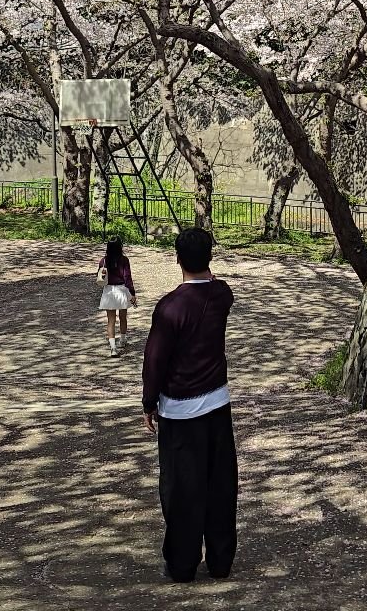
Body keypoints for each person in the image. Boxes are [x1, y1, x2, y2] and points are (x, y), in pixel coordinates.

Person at [142, 226, 237, 584]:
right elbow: (213, 282)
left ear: (177, 258)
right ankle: (220, 560)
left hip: (180, 411)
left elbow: (155, 360)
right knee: (220, 486)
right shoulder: (222, 295)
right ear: (210, 257)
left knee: (182, 490)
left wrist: (149, 401)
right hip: (217, 404)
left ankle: (182, 565)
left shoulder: (170, 308)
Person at [98, 236, 137, 357]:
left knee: (111, 320)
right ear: (120, 246)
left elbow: (100, 275)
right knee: (123, 317)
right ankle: (123, 340)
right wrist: (132, 293)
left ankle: (113, 347)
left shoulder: (104, 260)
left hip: (109, 291)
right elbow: (127, 277)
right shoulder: (124, 260)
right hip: (121, 290)